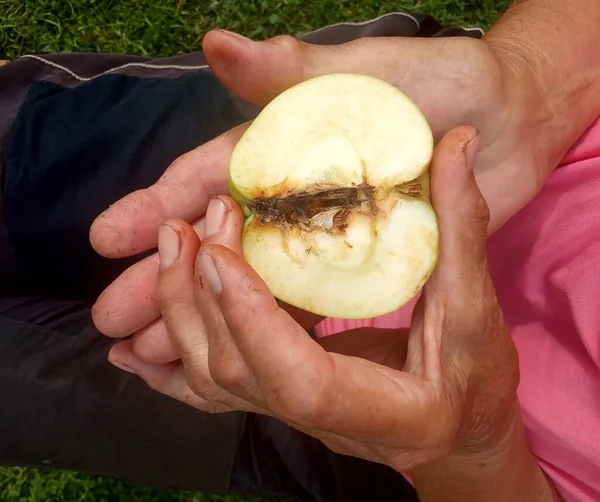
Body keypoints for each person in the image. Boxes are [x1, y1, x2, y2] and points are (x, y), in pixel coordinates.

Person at [0, 1, 598, 501]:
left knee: (42, 388)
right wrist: (532, 84)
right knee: (34, 153)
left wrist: (476, 446)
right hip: (426, 117)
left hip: (363, 434)